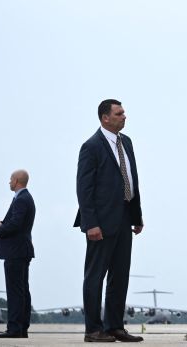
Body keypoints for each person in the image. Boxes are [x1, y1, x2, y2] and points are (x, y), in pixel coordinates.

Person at [74, 99, 144, 343]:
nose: (124, 116)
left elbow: (131, 180)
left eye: (123, 112)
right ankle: (93, 330)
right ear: (105, 117)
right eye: (119, 113)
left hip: (125, 218)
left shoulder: (127, 143)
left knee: (120, 276)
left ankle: (114, 326)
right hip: (100, 223)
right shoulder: (91, 146)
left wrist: (137, 216)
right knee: (95, 276)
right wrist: (90, 223)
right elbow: (84, 188)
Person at [0, 170, 35, 339]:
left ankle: (15, 328)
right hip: (21, 250)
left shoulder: (22, 199)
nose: (9, 182)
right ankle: (21, 327)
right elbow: (16, 221)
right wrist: (4, 222)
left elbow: (16, 224)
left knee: (15, 291)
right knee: (22, 290)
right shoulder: (24, 198)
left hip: (16, 251)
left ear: (17, 181)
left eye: (10, 179)